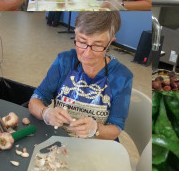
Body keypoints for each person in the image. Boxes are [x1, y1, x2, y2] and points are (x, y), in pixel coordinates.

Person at [28, 12, 133, 140]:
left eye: (97, 45)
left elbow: (115, 128)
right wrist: (46, 113)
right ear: (75, 35)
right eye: (82, 42)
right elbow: (35, 101)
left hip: (97, 145)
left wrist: (96, 129)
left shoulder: (121, 76)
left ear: (110, 42)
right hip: (62, 139)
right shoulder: (64, 62)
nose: (87, 53)